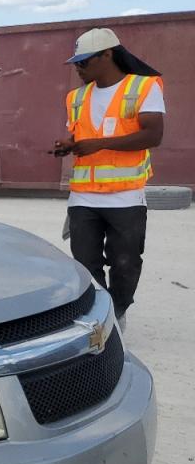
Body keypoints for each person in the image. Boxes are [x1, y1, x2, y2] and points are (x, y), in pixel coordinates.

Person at [53, 28, 164, 332]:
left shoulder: (143, 87)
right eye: (76, 63)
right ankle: (103, 314)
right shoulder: (75, 97)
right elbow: (81, 135)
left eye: (84, 61)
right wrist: (69, 145)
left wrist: (100, 143)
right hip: (83, 197)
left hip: (125, 196)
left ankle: (119, 308)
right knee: (85, 262)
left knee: (125, 263)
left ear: (107, 55)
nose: (78, 68)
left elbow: (153, 135)